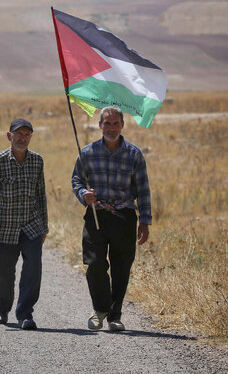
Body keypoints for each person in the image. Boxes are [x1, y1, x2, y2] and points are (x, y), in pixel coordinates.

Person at [71, 106, 151, 332]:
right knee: (94, 263)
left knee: (121, 268)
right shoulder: (87, 153)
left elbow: (143, 190)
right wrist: (83, 195)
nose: (112, 128)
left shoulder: (134, 154)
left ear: (122, 125)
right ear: (100, 125)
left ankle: (115, 316)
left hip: (124, 217)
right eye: (107, 123)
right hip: (96, 215)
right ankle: (99, 310)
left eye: (116, 123)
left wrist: (144, 221)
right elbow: (76, 180)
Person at [0, 118, 48, 330]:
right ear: (9, 136)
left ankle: (25, 314)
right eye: (19, 134)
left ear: (31, 137)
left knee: (33, 268)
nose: (22, 138)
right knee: (1, 271)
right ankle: (2, 308)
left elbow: (41, 196)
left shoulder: (37, 161)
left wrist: (45, 227)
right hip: (4, 227)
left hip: (31, 226)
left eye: (27, 135)